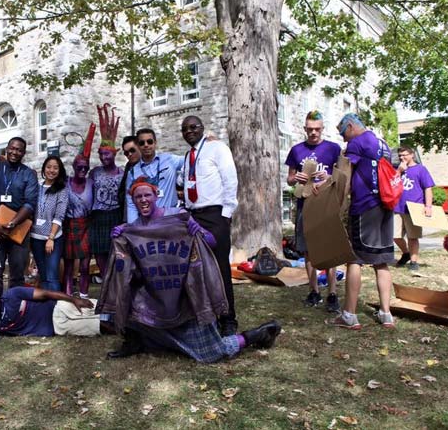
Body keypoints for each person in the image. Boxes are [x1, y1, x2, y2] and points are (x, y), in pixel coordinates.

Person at [99, 179, 281, 362]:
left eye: (147, 195)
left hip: (185, 299)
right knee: (127, 293)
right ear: (133, 200)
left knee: (212, 353)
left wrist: (198, 230)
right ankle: (134, 340)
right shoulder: (134, 228)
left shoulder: (178, 216)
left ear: (156, 196)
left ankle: (256, 335)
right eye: (138, 197)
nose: (143, 199)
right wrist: (122, 234)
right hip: (154, 300)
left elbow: (212, 242)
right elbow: (126, 269)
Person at [329, 113, 395, 330]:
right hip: (385, 206)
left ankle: (349, 315)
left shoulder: (356, 143)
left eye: (343, 133)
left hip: (365, 206)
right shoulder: (383, 143)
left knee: (354, 259)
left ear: (351, 126)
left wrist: (338, 206)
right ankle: (386, 314)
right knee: (381, 260)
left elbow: (346, 176)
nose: (344, 139)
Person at [180, 116, 241, 335]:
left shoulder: (217, 148)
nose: (189, 132)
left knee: (220, 269)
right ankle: (206, 318)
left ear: (203, 128)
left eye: (193, 127)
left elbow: (230, 180)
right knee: (197, 270)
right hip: (193, 217)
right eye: (185, 129)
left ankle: (228, 319)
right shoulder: (189, 156)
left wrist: (225, 215)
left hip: (215, 216)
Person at [284, 111, 342, 311]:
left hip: (326, 204)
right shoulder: (296, 150)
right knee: (308, 250)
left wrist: (327, 176)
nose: (314, 133)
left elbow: (341, 176)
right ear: (305, 129)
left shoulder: (334, 148)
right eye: (310, 129)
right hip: (304, 205)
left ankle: (333, 293)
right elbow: (289, 178)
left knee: (329, 250)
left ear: (322, 129)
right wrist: (296, 178)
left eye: (317, 129)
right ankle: (313, 290)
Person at [0, 137, 39, 294]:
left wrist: (12, 224)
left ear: (24, 153)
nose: (15, 152)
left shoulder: (28, 174)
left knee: (17, 274)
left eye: (19, 150)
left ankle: (14, 310)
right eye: (12, 148)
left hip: (19, 229)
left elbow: (29, 204)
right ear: (6, 148)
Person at [0, 286, 103, 340]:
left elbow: (45, 293)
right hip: (58, 327)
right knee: (100, 326)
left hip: (58, 306)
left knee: (104, 307)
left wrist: (74, 299)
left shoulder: (13, 294)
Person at [88, 106, 123, 284]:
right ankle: (106, 288)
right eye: (101, 154)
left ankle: (117, 288)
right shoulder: (94, 173)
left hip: (115, 216)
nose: (104, 157)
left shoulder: (122, 173)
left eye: (107, 153)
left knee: (117, 255)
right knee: (100, 256)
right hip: (98, 218)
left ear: (114, 153)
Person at [125, 128, 183, 223]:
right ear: (138, 146)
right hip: (147, 222)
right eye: (142, 143)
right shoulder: (132, 172)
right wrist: (134, 228)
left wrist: (207, 143)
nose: (146, 145)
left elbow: (192, 160)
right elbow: (131, 204)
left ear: (155, 143)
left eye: (149, 141)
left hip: (171, 218)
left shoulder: (169, 160)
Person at [393, 146, 435, 271]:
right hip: (397, 207)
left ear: (412, 155)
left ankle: (414, 261)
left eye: (404, 154)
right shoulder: (398, 169)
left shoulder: (420, 169)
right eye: (400, 155)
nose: (402, 157)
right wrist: (399, 171)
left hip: (414, 208)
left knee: (412, 236)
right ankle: (406, 253)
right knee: (395, 235)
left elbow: (428, 188)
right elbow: (391, 184)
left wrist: (428, 206)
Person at [30, 156, 69, 292]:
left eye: (55, 168)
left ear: (59, 171)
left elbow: (59, 215)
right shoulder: (36, 187)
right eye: (48, 167)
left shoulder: (61, 190)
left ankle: (55, 308)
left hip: (53, 239)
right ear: (44, 168)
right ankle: (46, 308)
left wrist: (51, 238)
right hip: (35, 238)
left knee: (52, 275)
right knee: (43, 275)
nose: (51, 170)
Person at [63, 155, 93, 298]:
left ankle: (84, 295)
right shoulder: (65, 183)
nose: (82, 169)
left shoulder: (91, 183)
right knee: (69, 266)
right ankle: (68, 296)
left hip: (86, 225)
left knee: (85, 266)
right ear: (74, 167)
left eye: (85, 167)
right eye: (79, 166)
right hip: (69, 225)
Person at [117, 135, 141, 220]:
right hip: (129, 215)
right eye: (126, 153)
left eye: (132, 150)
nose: (129, 154)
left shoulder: (150, 164)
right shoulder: (129, 166)